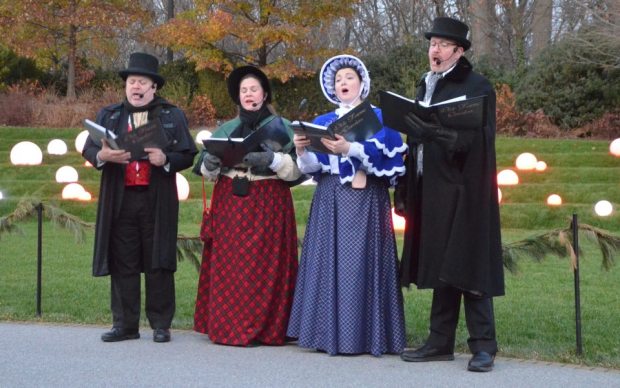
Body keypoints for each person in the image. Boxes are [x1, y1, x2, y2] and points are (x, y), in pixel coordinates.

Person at [394, 17, 504, 372]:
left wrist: (437, 133)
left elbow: (480, 140)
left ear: (459, 51)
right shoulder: (425, 84)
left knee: (469, 263)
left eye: (442, 45)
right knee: (442, 264)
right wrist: (406, 187)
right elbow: (415, 142)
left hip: (464, 189)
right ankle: (440, 341)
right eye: (432, 44)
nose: (435, 51)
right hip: (430, 187)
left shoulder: (477, 85)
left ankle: (483, 345)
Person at [287, 54, 408, 356]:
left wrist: (349, 148)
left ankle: (367, 335)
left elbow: (389, 161)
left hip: (367, 199)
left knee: (362, 264)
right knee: (328, 263)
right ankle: (326, 333)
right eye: (339, 79)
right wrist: (302, 151)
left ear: (362, 83)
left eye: (349, 78)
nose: (343, 82)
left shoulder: (379, 118)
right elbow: (313, 167)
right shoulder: (322, 121)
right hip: (330, 198)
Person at [82, 52, 197, 343]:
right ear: (125, 86)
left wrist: (165, 158)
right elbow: (88, 148)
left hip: (156, 198)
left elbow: (188, 154)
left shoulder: (172, 116)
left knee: (158, 260)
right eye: (132, 81)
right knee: (124, 261)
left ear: (153, 87)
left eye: (142, 82)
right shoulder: (109, 115)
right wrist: (102, 155)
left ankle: (161, 324)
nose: (136, 87)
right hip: (120, 199)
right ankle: (125, 325)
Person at [193, 65, 301, 346]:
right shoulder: (226, 129)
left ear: (264, 94)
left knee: (267, 266)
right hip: (231, 201)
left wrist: (273, 161)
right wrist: (211, 163)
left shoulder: (283, 128)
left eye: (254, 89)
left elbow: (298, 171)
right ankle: (229, 326)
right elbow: (205, 169)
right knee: (232, 267)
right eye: (244, 90)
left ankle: (268, 328)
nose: (249, 94)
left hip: (269, 201)